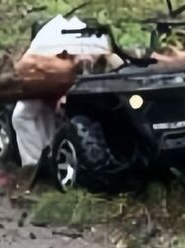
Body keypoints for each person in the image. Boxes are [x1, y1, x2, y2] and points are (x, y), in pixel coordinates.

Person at [11, 15, 115, 169]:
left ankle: (58, 162)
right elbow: (26, 71)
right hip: (45, 89)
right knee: (22, 115)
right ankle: (34, 165)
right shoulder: (48, 43)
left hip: (81, 98)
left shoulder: (96, 44)